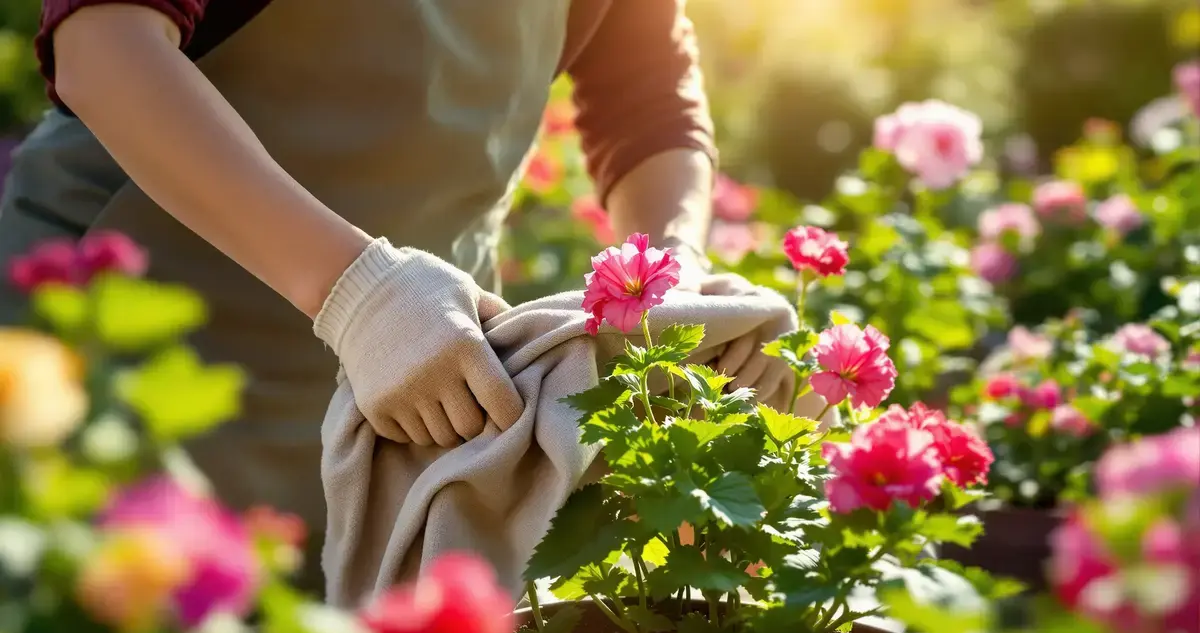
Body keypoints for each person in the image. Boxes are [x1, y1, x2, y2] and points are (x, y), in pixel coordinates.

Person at [0, 0, 793, 595]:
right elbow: (103, 44)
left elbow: (649, 108)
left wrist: (672, 275)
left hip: (412, 387)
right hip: (113, 358)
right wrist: (357, 291)